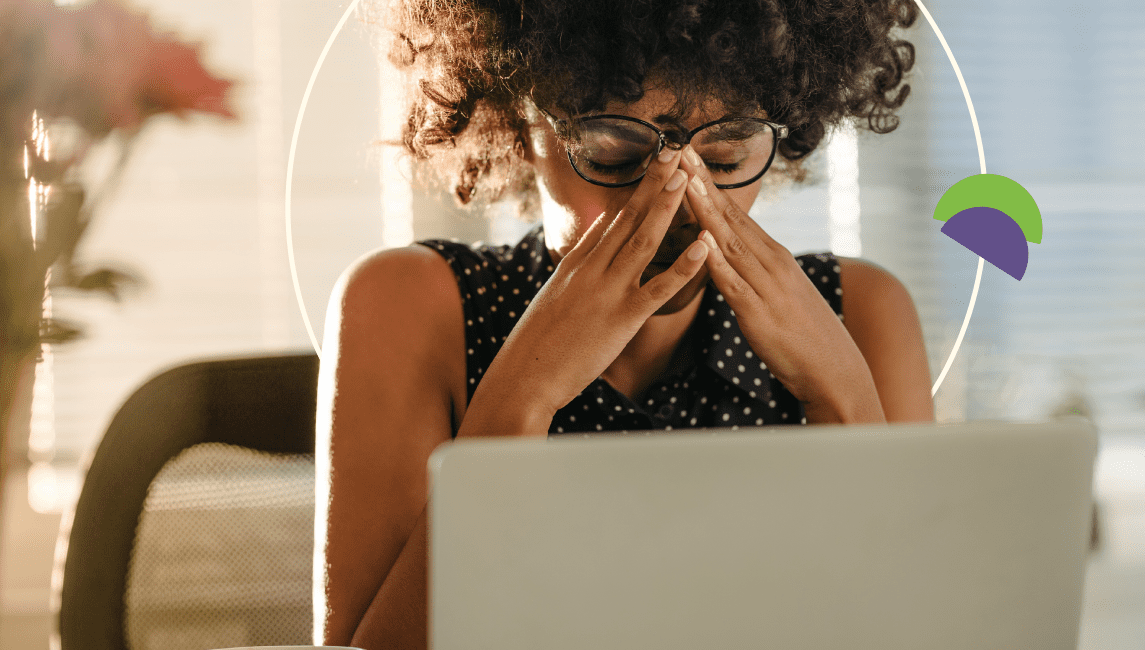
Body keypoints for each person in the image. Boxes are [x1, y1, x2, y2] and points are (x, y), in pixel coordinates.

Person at [318, 0, 932, 647]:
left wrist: (841, 394)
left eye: (723, 159)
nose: (675, 201)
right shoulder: (411, 304)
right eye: (611, 155)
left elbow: (920, 626)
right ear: (518, 120)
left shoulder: (860, 311)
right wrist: (525, 394)